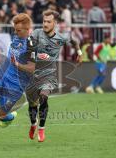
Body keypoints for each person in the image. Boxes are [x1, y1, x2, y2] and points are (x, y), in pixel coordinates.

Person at [26, 9, 82, 142]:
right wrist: (34, 53)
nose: (45, 24)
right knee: (32, 105)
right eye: (44, 21)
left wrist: (79, 53)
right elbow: (29, 46)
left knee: (44, 97)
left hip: (49, 75)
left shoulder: (60, 38)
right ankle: (33, 124)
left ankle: (41, 128)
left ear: (55, 23)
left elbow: (74, 41)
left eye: (48, 22)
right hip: (34, 74)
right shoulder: (37, 33)